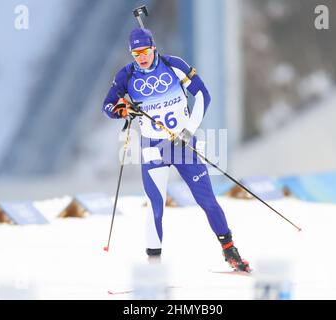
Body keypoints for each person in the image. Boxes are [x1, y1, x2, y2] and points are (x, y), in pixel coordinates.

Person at [102, 27, 250, 272]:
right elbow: (107, 106)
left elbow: (203, 95)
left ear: (154, 47)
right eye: (136, 53)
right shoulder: (126, 76)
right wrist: (124, 110)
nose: (141, 57)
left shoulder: (174, 65)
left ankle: (230, 251)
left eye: (145, 51)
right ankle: (153, 267)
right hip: (153, 149)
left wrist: (189, 130)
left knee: (207, 201)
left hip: (183, 145)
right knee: (155, 207)